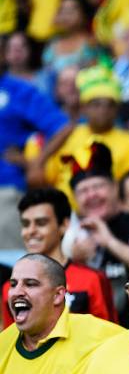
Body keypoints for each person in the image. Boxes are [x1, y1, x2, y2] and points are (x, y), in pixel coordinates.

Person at [66, 142, 129, 326]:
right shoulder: (67, 235)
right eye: (83, 191)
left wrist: (110, 242)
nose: (92, 195)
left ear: (114, 187)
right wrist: (72, 262)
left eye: (97, 186)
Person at [1, 188, 115, 326]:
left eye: (41, 223)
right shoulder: (10, 288)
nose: (31, 231)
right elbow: (11, 342)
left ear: (64, 225)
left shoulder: (92, 280)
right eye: (25, 224)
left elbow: (109, 337)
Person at [0, 53, 70, 248]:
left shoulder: (19, 90)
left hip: (5, 190)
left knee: (5, 265)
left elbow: (62, 127)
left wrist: (35, 162)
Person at [44, 65, 129, 192]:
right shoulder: (68, 135)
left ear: (117, 110)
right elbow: (48, 176)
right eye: (96, 104)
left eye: (109, 105)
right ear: (84, 108)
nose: (103, 110)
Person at [40, 0, 103, 86]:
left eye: (71, 10)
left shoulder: (92, 43)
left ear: (84, 13)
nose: (66, 15)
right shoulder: (52, 43)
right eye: (62, 10)